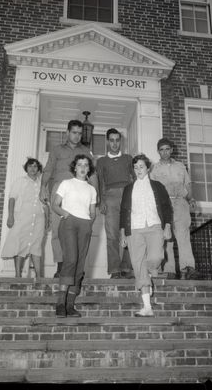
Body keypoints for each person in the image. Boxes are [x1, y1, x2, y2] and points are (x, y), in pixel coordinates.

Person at [39, 120, 97, 278]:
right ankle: (61, 266)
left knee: (79, 232)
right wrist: (43, 188)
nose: (77, 136)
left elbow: (92, 174)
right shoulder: (57, 149)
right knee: (59, 231)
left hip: (80, 194)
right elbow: (48, 170)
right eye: (74, 132)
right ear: (67, 132)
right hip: (60, 192)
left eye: (79, 133)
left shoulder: (86, 151)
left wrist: (95, 196)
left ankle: (77, 268)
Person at [120, 154, 173, 317]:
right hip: (134, 230)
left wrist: (168, 226)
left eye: (141, 167)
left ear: (148, 168)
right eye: (135, 168)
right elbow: (123, 212)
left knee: (156, 257)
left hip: (154, 226)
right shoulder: (129, 188)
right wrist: (123, 232)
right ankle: (147, 307)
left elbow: (166, 207)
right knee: (139, 266)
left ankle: (148, 274)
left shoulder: (157, 186)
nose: (138, 170)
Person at [52, 154, 97, 317]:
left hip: (85, 225)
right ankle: (60, 303)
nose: (83, 167)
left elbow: (93, 212)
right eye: (80, 164)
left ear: (89, 168)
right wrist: (66, 214)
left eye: (86, 165)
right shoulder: (66, 183)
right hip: (69, 223)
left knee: (79, 265)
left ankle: (70, 305)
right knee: (70, 260)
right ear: (75, 167)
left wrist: (88, 224)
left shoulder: (92, 189)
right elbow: (55, 204)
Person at [150, 138, 200, 280]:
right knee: (167, 238)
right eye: (161, 149)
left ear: (171, 150)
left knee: (183, 235)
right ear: (158, 151)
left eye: (167, 149)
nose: (164, 152)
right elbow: (152, 189)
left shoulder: (180, 166)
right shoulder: (154, 168)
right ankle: (169, 270)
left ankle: (188, 268)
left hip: (180, 204)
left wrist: (191, 199)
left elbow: (188, 185)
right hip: (164, 205)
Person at [96, 128, 135, 279]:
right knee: (112, 234)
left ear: (120, 141)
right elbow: (100, 182)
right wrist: (102, 201)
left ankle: (126, 268)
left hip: (128, 196)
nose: (114, 143)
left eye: (117, 140)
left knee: (129, 233)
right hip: (110, 197)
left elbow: (135, 178)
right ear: (107, 141)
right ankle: (114, 270)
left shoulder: (127, 159)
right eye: (111, 140)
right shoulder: (101, 161)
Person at [1, 158, 48, 278]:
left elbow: (45, 204)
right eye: (30, 166)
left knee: (36, 246)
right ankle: (18, 276)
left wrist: (47, 220)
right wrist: (10, 216)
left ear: (38, 169)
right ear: (26, 168)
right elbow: (12, 199)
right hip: (22, 218)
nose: (33, 169)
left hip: (38, 219)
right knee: (19, 244)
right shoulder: (20, 181)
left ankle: (39, 277)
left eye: (35, 167)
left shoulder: (41, 184)